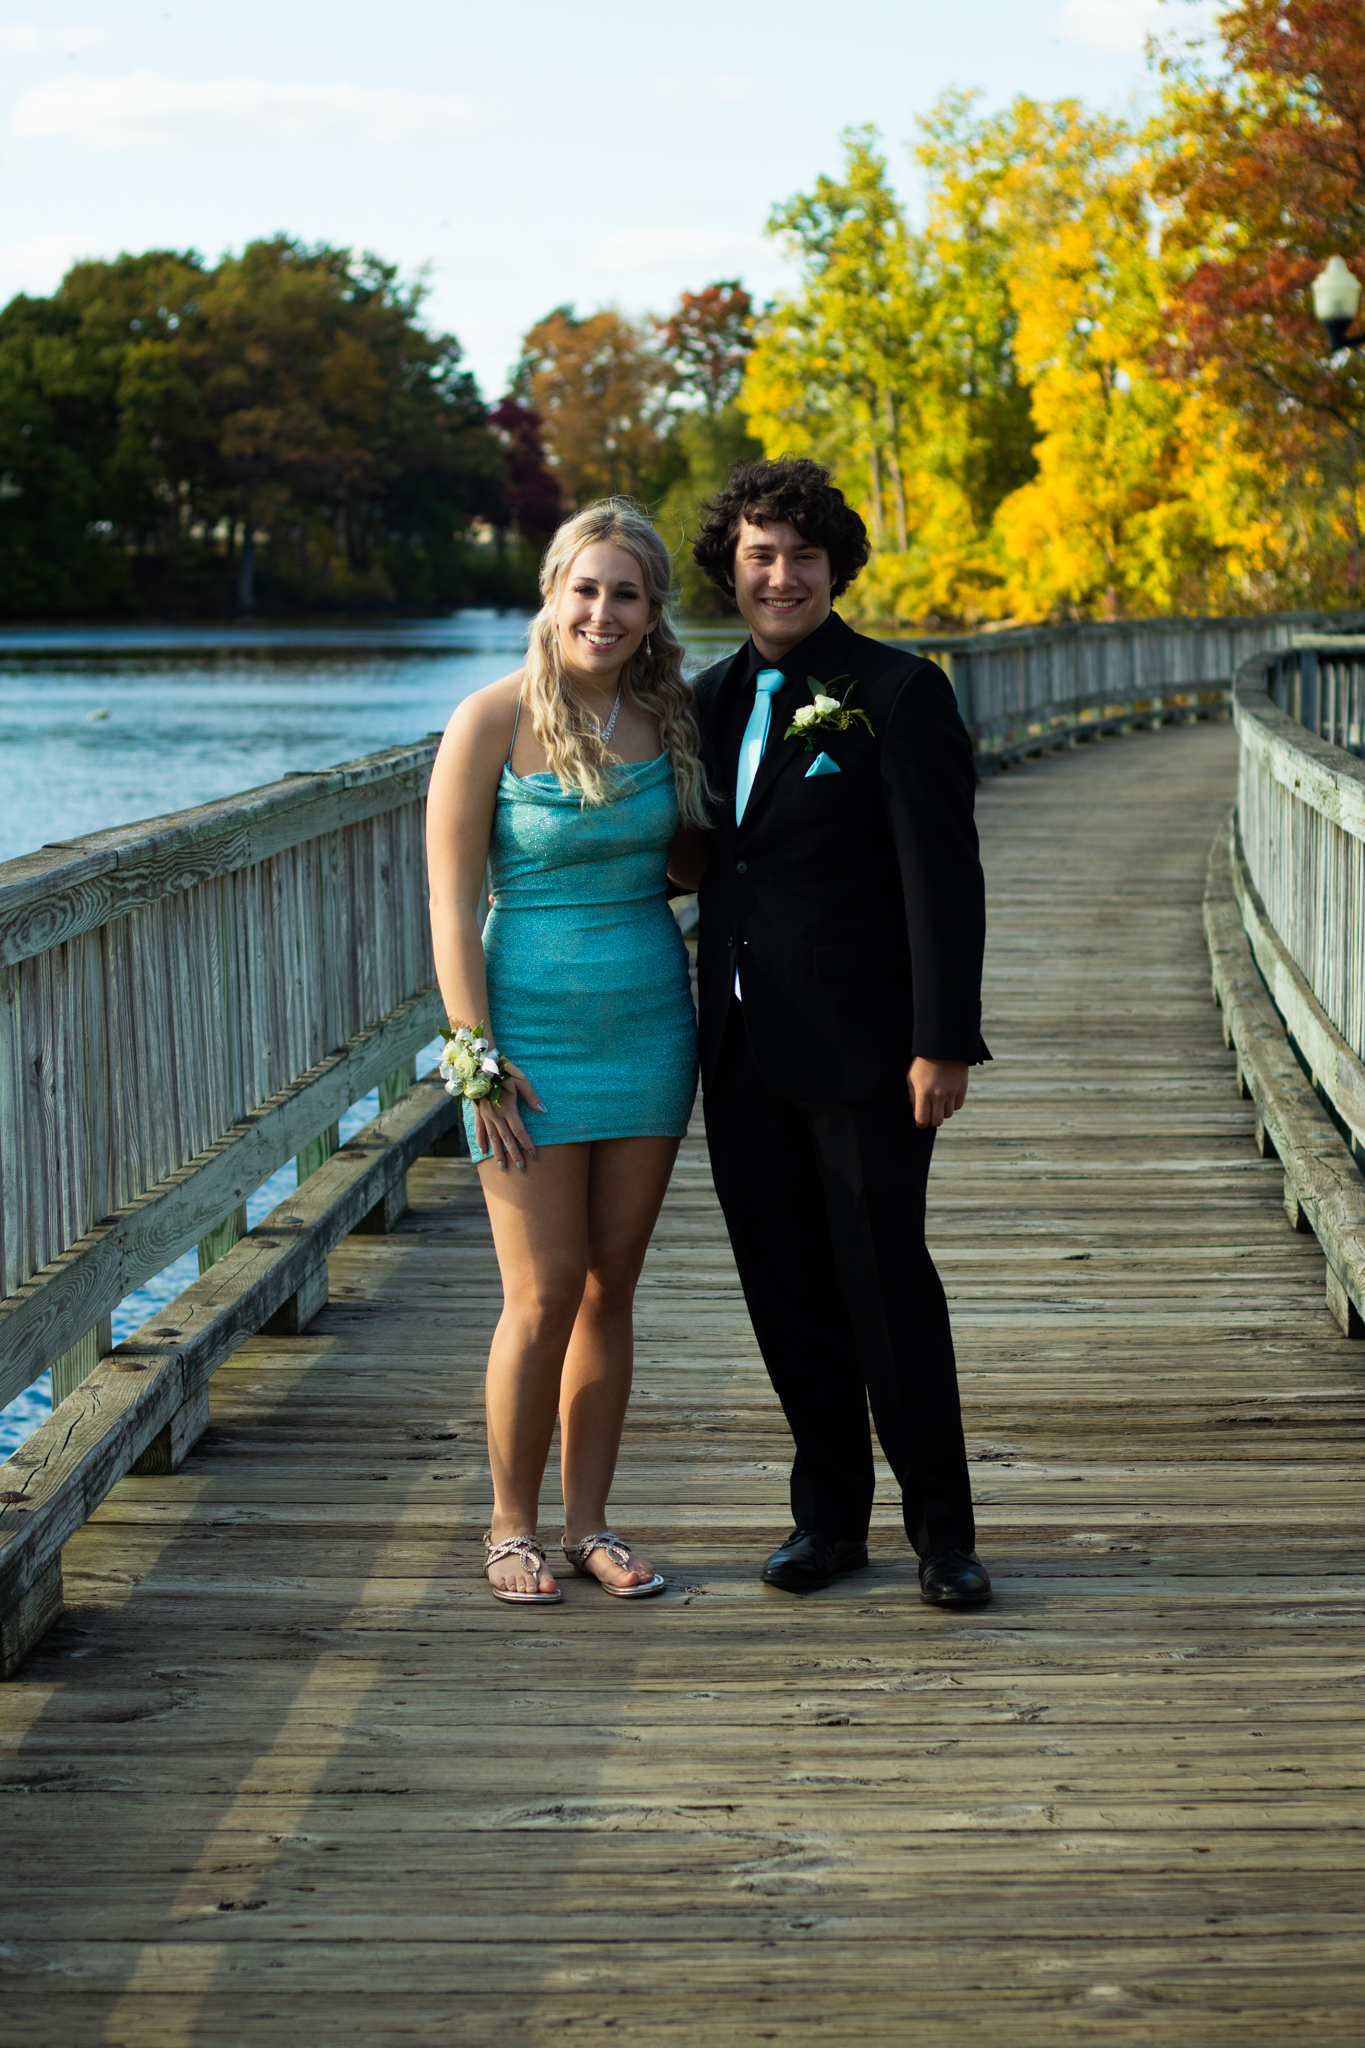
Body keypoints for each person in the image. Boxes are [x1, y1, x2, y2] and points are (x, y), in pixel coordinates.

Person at [684, 456, 992, 1608]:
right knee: (784, 1287)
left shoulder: (898, 691)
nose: (781, 576)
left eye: (802, 556)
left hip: (869, 1050)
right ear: (730, 568)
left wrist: (942, 1039)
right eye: (760, 556)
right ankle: (827, 1519)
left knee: (885, 1281)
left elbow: (943, 880)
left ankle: (944, 1533)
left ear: (835, 567)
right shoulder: (705, 699)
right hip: (739, 1048)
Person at [425, 500, 706, 1605]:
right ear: (551, 592)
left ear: (652, 612)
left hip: (649, 1027)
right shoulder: (488, 719)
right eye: (585, 588)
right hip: (525, 1043)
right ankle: (510, 1527)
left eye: (626, 594)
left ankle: (590, 1524)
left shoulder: (669, 716)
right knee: (539, 1294)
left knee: (607, 1290)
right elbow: (450, 906)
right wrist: (477, 1059)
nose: (603, 611)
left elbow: (696, 862)